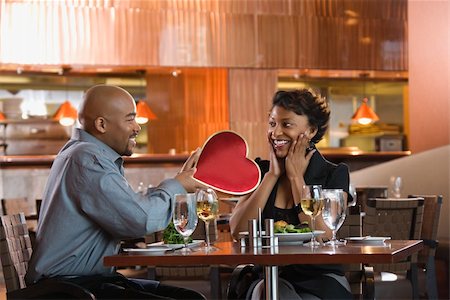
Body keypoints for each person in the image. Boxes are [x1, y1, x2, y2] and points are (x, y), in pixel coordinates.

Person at [25, 84, 206, 299]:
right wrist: (177, 186)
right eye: (130, 119)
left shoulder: (83, 154)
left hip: (86, 281)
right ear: (101, 124)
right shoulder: (89, 160)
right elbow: (140, 221)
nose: (137, 127)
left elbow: (129, 216)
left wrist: (179, 185)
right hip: (68, 289)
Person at [229, 89, 353, 299]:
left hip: (320, 279)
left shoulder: (333, 174)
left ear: (311, 130)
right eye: (272, 123)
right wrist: (271, 176)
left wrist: (296, 177)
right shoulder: (259, 171)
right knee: (275, 293)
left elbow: (323, 234)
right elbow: (238, 229)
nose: (276, 133)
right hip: (267, 277)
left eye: (286, 125)